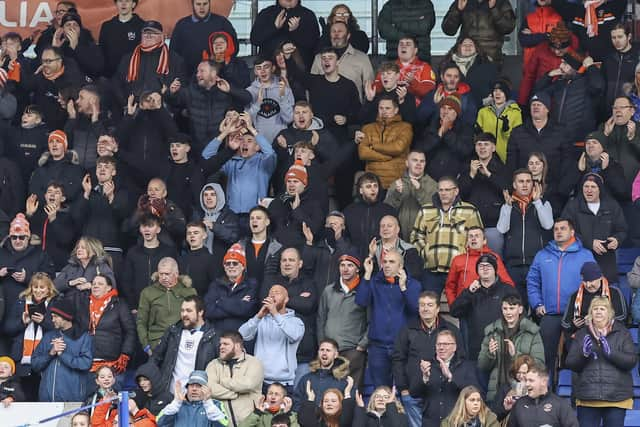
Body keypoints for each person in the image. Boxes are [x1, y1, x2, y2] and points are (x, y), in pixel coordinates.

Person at [527, 218, 595, 375]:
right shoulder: (542, 255)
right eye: (556, 229)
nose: (558, 232)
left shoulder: (585, 255)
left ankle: (577, 398)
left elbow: (593, 285)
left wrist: (585, 311)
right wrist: (537, 304)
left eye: (563, 228)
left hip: (575, 316)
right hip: (550, 314)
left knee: (578, 358)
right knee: (543, 360)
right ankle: (544, 395)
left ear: (572, 232)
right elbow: (532, 281)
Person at [392, 291, 463, 427]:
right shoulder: (407, 329)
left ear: (437, 309)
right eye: (422, 305)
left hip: (440, 394)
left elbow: (461, 358)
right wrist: (403, 388)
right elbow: (398, 359)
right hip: (413, 393)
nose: (425, 309)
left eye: (430, 305)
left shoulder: (450, 330)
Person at [565, 296, 637, 427]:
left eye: (602, 309)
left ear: (609, 313)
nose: (598, 312)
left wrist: (611, 353)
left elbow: (631, 361)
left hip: (617, 398)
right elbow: (570, 363)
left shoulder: (622, 333)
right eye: (595, 309)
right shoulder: (581, 334)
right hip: (587, 398)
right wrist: (584, 355)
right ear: (590, 313)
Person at [356, 249, 420, 388]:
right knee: (380, 390)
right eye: (384, 261)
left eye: (392, 262)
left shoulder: (412, 284)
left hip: (402, 345)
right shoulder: (375, 282)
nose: (387, 265)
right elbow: (361, 301)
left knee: (404, 389)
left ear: (400, 266)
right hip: (378, 346)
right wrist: (367, 274)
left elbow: (416, 310)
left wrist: (403, 288)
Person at [411, 176, 483, 296]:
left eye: (447, 190)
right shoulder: (426, 210)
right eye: (441, 190)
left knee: (462, 306)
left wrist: (465, 255)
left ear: (456, 191)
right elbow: (416, 236)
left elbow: (478, 238)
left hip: (460, 270)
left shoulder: (470, 210)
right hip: (432, 271)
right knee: (429, 306)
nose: (443, 193)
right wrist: (426, 252)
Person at [201, 111, 277, 220]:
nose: (244, 143)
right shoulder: (231, 162)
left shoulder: (264, 162)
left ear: (258, 147)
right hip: (232, 215)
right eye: (241, 140)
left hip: (255, 215)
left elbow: (270, 153)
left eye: (249, 141)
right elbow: (207, 156)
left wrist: (251, 128)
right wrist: (224, 133)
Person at [167, 60, 251, 153]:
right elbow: (173, 103)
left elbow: (247, 98)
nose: (198, 75)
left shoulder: (225, 89)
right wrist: (172, 93)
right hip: (197, 148)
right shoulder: (190, 91)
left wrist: (230, 90)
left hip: (220, 147)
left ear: (213, 73)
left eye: (202, 71)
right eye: (197, 72)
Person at [497, 169, 553, 306]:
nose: (525, 185)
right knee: (515, 305)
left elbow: (548, 225)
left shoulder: (543, 203)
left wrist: (537, 202)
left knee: (536, 306)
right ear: (514, 185)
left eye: (528, 181)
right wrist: (508, 207)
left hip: (535, 264)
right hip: (513, 265)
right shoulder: (508, 204)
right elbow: (501, 229)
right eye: (521, 181)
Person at [261, 248, 318, 384]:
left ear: (300, 264)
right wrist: (297, 298)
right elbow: (264, 303)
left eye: (291, 260)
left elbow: (308, 305)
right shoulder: (270, 282)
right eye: (284, 260)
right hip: (274, 354)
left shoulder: (309, 283)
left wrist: (280, 300)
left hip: (301, 353)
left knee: (298, 397)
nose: (287, 263)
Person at [284, 45, 360, 143]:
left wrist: (346, 119)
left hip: (339, 136)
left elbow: (357, 111)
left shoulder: (349, 85)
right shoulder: (314, 81)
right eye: (323, 58)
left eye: (330, 58)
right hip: (316, 134)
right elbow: (296, 73)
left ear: (338, 62)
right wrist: (288, 57)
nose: (326, 61)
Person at [450, 254, 520, 361]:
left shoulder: (507, 290)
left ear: (495, 269)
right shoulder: (471, 291)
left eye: (488, 266)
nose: (485, 268)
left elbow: (519, 316)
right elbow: (454, 311)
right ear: (477, 271)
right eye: (481, 266)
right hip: (477, 349)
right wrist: (469, 292)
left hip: (502, 348)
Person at [478, 294, 545, 401]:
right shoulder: (492, 331)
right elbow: (482, 366)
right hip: (497, 392)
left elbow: (540, 365)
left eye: (512, 308)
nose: (508, 312)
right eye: (505, 308)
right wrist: (490, 354)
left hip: (523, 393)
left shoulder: (532, 332)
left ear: (520, 309)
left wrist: (516, 355)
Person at [561, 173, 627, 283]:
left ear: (600, 189)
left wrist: (617, 239)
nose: (589, 190)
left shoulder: (612, 205)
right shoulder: (573, 206)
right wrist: (589, 243)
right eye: (586, 186)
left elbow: (622, 229)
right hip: (579, 259)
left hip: (607, 261)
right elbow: (565, 232)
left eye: (593, 187)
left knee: (606, 295)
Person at [71, 274, 135, 386]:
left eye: (100, 284)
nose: (95, 286)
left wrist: (125, 354)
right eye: (94, 284)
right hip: (87, 362)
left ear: (109, 287)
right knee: (90, 400)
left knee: (111, 401)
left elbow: (130, 331)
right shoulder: (84, 303)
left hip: (113, 363)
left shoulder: (119, 304)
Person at [72, 157, 131, 276]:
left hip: (111, 250)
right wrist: (86, 194)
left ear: (113, 172)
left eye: (107, 167)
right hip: (89, 250)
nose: (102, 169)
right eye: (99, 167)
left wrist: (111, 198)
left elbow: (124, 216)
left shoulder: (122, 191)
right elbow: (76, 217)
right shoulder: (88, 192)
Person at [239, 285, 305, 391]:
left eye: (277, 293)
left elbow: (294, 335)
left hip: (284, 383)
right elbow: (242, 335)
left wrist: (275, 313)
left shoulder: (296, 322)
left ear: (286, 299)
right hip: (259, 380)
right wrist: (258, 316)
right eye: (270, 293)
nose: (272, 295)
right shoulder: (261, 320)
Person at [316, 252, 368, 387]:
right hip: (330, 350)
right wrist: (323, 344)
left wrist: (362, 345)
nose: (345, 269)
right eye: (342, 265)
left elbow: (372, 321)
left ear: (357, 269)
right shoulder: (329, 291)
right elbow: (321, 318)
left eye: (350, 265)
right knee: (328, 390)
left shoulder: (364, 291)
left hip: (352, 350)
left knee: (351, 390)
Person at [3, 272, 58, 400]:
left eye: (42, 287)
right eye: (35, 287)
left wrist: (43, 321)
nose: (38, 291)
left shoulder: (55, 303)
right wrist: (23, 322)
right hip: (22, 359)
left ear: (49, 289)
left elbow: (59, 328)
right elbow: (7, 328)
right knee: (22, 396)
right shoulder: (21, 302)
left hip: (44, 357)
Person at [150, 295, 218, 396]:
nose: (184, 314)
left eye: (189, 310)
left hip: (197, 397)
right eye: (182, 310)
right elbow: (156, 357)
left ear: (200, 312)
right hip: (170, 395)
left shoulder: (213, 336)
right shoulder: (172, 332)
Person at [409, 330, 480, 427]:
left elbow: (475, 393)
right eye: (439, 344)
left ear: (454, 347)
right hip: (430, 422)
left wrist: (451, 377)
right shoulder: (427, 365)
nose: (441, 347)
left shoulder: (466, 366)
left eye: (446, 344)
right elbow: (413, 393)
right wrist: (424, 378)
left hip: (456, 422)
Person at [533, 51, 604, 144]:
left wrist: (591, 67)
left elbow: (598, 85)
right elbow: (538, 93)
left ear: (575, 67)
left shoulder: (586, 84)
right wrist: (549, 75)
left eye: (565, 64)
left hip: (579, 142)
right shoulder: (560, 83)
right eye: (561, 63)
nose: (561, 66)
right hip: (557, 139)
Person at [31, 298, 93, 402]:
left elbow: (85, 364)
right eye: (51, 317)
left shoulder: (83, 337)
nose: (52, 320)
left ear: (66, 317)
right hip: (47, 400)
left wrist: (62, 354)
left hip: (73, 400)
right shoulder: (48, 336)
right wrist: (51, 353)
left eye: (55, 316)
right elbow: (35, 364)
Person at [458, 133, 511, 253]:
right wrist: (471, 174)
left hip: (494, 225)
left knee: (493, 262)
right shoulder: (467, 168)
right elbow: (460, 194)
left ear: (493, 148)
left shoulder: (502, 168)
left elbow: (507, 190)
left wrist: (489, 174)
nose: (482, 147)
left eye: (486, 144)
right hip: (471, 225)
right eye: (479, 144)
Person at [113, 20, 186, 106]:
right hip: (134, 108)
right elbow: (117, 83)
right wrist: (125, 104)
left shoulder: (175, 59)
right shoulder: (128, 58)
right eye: (145, 33)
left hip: (162, 108)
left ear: (162, 36)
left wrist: (170, 94)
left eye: (153, 33)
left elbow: (182, 89)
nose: (148, 35)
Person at [506, 93, 570, 188]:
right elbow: (511, 163)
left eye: (539, 104)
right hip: (524, 188)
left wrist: (561, 190)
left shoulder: (561, 132)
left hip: (553, 188)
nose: (535, 107)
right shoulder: (517, 132)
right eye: (533, 104)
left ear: (547, 109)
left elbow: (567, 161)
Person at [0, 214, 55, 320]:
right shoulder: (1, 253)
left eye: (21, 237)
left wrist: (28, 278)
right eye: (14, 237)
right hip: (2, 306)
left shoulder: (40, 255)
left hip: (27, 309)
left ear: (28, 238)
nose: (17, 241)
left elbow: (50, 279)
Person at [136, 258, 198, 352]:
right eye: (161, 274)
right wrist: (146, 345)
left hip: (182, 339)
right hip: (156, 340)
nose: (164, 277)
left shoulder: (188, 292)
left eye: (167, 274)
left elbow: (196, 319)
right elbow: (141, 321)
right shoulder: (148, 292)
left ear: (176, 274)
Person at [120, 214, 178, 311]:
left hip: (163, 307)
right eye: (143, 226)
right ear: (140, 229)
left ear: (158, 229)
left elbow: (176, 279)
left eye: (150, 226)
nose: (147, 229)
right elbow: (126, 281)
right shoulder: (133, 252)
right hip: (139, 307)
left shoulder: (169, 251)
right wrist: (133, 306)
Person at [445, 226, 513, 307]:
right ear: (467, 241)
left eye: (477, 236)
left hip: (489, 305)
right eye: (470, 236)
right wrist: (454, 305)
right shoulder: (458, 260)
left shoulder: (493, 258)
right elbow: (450, 286)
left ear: (484, 241)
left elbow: (507, 283)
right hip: (465, 306)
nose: (473, 238)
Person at [18, 46, 85, 130]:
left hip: (67, 127)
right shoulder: (40, 76)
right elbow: (26, 85)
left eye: (48, 61)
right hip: (42, 127)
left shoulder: (72, 76)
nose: (45, 64)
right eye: (43, 61)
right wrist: (17, 61)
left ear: (59, 61)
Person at [207, 331, 264, 426]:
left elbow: (248, 384)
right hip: (223, 423)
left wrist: (223, 381)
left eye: (226, 344)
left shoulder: (254, 362)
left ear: (237, 346)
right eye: (220, 344)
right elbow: (209, 388)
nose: (221, 347)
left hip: (251, 422)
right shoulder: (213, 364)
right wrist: (234, 393)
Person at [170, 0, 238, 77]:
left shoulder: (222, 23)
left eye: (205, 4)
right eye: (198, 4)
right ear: (193, 5)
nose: (202, 8)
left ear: (209, 4)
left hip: (216, 75)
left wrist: (222, 61)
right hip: (188, 77)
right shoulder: (182, 25)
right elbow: (173, 52)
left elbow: (234, 47)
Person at [357, 96, 413, 189]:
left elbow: (398, 148)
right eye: (381, 108)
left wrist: (373, 145)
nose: (384, 111)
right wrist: (386, 156)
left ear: (396, 110)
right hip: (373, 183)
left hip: (396, 183)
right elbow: (363, 153)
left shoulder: (405, 127)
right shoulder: (367, 128)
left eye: (387, 108)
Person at [310, 22, 374, 102]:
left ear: (348, 36)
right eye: (333, 31)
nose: (336, 34)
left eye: (340, 31)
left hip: (352, 111)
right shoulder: (318, 58)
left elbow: (370, 87)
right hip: (323, 110)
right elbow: (311, 86)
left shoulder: (362, 58)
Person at [518, 21, 577, 107]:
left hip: (566, 100)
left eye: (561, 49)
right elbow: (529, 76)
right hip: (542, 96)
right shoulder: (541, 49)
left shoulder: (576, 51)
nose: (557, 52)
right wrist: (522, 102)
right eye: (553, 48)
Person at [416, 95, 475, 182]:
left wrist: (447, 132)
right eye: (443, 108)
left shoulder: (465, 129)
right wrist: (438, 135)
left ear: (456, 113)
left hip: (452, 179)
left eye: (450, 109)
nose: (445, 111)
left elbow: (465, 150)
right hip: (428, 178)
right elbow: (421, 149)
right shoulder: (431, 126)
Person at [561, 261, 627, 337]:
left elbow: (622, 317)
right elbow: (565, 323)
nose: (588, 285)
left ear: (600, 278)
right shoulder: (575, 296)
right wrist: (574, 325)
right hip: (582, 336)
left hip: (609, 335)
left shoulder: (614, 292)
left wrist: (597, 321)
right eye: (585, 281)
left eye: (591, 281)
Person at [441, 0, 516, 66]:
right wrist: (458, 10)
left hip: (490, 58)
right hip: (465, 56)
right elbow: (448, 30)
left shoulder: (501, 2)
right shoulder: (463, 1)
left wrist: (494, 9)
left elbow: (508, 28)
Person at [384, 150, 437, 241]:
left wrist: (419, 191)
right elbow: (386, 210)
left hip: (423, 239)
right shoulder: (396, 184)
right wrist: (397, 194)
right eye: (415, 160)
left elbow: (435, 212)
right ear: (407, 163)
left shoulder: (433, 185)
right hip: (399, 239)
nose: (418, 164)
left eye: (422, 161)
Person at [204, 244, 258, 333]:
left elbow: (247, 310)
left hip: (241, 335)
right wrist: (238, 303)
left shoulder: (251, 284)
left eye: (235, 263)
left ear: (243, 266)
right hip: (219, 335)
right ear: (224, 267)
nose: (231, 266)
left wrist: (220, 301)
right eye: (227, 263)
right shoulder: (215, 284)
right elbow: (209, 311)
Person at [268, 161, 323, 248]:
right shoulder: (278, 202)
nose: (291, 185)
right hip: (276, 250)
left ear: (304, 184)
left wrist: (297, 211)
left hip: (300, 251)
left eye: (295, 181)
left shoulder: (314, 205)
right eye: (289, 181)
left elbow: (315, 230)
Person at [560, 132, 628, 202]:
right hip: (581, 208)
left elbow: (622, 192)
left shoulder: (613, 165)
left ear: (603, 147)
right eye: (588, 143)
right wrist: (578, 170)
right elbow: (563, 191)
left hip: (606, 208)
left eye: (594, 142)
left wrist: (607, 170)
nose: (591, 145)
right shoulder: (579, 164)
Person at [250, 0, 319, 67]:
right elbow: (255, 39)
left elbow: (314, 44)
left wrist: (296, 32)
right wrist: (274, 27)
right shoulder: (266, 13)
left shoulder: (308, 15)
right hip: (270, 70)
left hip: (301, 70)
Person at [24, 182, 76, 270]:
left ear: (63, 198)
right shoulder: (38, 214)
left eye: (57, 193)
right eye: (49, 191)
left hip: (58, 265)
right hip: (37, 264)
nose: (52, 194)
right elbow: (24, 235)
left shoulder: (68, 216)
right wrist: (29, 214)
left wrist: (53, 219)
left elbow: (65, 240)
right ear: (45, 196)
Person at [551, 0, 625, 62]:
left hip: (611, 61)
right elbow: (557, 3)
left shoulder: (612, 7)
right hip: (587, 62)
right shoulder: (577, 10)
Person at [343, 172, 396, 258]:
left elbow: (396, 237)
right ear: (360, 190)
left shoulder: (388, 211)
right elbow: (344, 238)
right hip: (355, 261)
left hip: (382, 261)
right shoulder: (349, 211)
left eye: (375, 186)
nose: (373, 189)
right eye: (368, 186)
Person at [508, 365, 578, 426]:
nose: (527, 384)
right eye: (526, 380)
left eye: (531, 380)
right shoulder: (519, 404)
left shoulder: (560, 405)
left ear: (544, 381)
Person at [293, 339, 351, 411]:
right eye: (322, 350)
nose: (324, 353)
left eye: (328, 350)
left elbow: (349, 407)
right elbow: (296, 403)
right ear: (318, 353)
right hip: (309, 420)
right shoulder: (306, 378)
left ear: (335, 355)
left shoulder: (344, 380)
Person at [28, 130, 84, 204]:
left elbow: (75, 192)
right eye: (51, 141)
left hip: (66, 212)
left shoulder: (76, 170)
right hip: (43, 211)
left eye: (58, 141)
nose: (54, 144)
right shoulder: (40, 169)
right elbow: (33, 191)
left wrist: (58, 201)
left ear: (64, 145)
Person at [440, 36, 498, 109]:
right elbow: (440, 86)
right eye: (464, 45)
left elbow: (497, 84)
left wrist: (492, 97)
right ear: (458, 47)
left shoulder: (487, 64)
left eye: (471, 44)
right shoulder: (446, 63)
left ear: (476, 48)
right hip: (452, 109)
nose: (468, 46)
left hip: (483, 108)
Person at [157, 370, 228, 427]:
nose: (194, 389)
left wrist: (208, 404)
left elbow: (224, 424)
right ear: (187, 388)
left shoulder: (215, 404)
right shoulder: (177, 406)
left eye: (198, 385)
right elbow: (160, 422)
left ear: (206, 388)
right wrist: (176, 403)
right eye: (191, 385)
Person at [598, 95, 640, 190]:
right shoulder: (604, 128)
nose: (617, 110)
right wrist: (605, 135)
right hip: (607, 187)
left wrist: (632, 138)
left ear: (632, 111)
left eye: (622, 107)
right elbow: (593, 156)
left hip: (633, 189)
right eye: (615, 108)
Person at [475, 80, 522, 163]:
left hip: (506, 158)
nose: (497, 93)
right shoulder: (482, 112)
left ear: (506, 94)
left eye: (501, 91)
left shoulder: (515, 112)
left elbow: (518, 139)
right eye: (495, 91)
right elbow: (477, 137)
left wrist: (506, 130)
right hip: (486, 158)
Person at [63, 84, 108, 171]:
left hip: (96, 172)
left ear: (92, 100)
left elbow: (105, 144)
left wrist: (95, 120)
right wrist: (71, 118)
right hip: (74, 171)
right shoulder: (76, 119)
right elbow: (65, 142)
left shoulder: (106, 120)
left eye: (81, 98)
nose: (77, 101)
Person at [236, 206, 283, 287]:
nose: (254, 221)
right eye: (252, 218)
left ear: (267, 222)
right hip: (245, 293)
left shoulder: (277, 248)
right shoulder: (239, 246)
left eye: (258, 218)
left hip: (267, 293)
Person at [98, 0, 145, 78]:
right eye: (120, 1)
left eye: (127, 1)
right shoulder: (107, 26)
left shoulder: (142, 26)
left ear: (133, 4)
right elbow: (101, 53)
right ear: (116, 4)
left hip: (133, 76)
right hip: (110, 76)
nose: (123, 4)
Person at [192, 183, 239, 260]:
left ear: (219, 196)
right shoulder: (197, 215)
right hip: (199, 260)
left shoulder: (229, 215)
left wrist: (214, 226)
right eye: (205, 195)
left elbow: (233, 237)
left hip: (220, 261)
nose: (209, 198)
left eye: (213, 194)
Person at [518, 0, 564, 71]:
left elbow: (560, 42)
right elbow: (523, 40)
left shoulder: (559, 18)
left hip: (553, 69)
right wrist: (547, 35)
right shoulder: (529, 18)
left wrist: (533, 35)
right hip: (530, 68)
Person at [179, 222, 220, 296]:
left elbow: (215, 287)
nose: (192, 235)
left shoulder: (211, 259)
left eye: (196, 233)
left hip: (203, 303)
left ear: (204, 235)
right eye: (189, 233)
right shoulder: (182, 259)